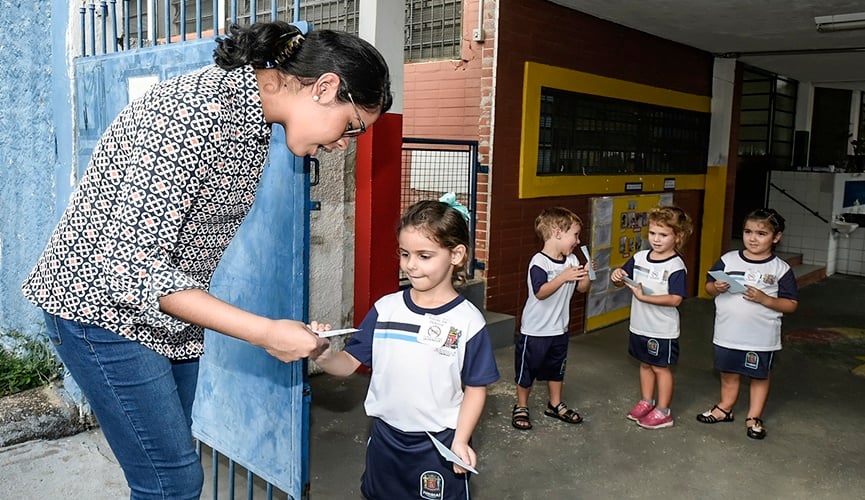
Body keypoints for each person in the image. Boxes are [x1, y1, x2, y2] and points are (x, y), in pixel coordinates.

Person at [21, 21, 392, 499]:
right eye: (352, 128)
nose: (345, 145)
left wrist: (282, 333)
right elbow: (134, 270)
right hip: (100, 312)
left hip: (163, 315)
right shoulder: (193, 112)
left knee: (172, 469)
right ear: (324, 88)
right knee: (170, 481)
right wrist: (264, 332)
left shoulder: (253, 122)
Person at [311, 194, 500, 500]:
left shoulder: (468, 321)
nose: (411, 266)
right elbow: (347, 364)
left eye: (424, 256)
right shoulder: (386, 309)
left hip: (438, 445)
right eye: (404, 254)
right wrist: (322, 353)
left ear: (456, 255)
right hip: (385, 439)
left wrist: (462, 440)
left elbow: (477, 387)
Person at [696, 208, 798, 440]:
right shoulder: (728, 259)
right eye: (748, 232)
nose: (753, 238)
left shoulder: (780, 269)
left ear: (776, 237)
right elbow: (708, 286)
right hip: (727, 333)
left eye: (761, 233)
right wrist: (716, 287)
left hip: (761, 337)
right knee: (728, 372)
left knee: (759, 375)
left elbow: (791, 304)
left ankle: (754, 416)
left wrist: (765, 299)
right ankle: (725, 408)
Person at [610, 206, 692, 430]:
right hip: (639, 325)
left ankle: (664, 411)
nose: (656, 239)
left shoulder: (675, 266)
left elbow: (676, 299)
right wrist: (617, 275)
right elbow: (622, 279)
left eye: (663, 235)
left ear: (678, 237)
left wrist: (646, 298)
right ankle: (647, 401)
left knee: (660, 368)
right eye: (653, 233)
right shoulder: (639, 258)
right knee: (645, 364)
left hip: (661, 329)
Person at [512, 207, 592, 431]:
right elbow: (540, 291)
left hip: (559, 329)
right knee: (527, 370)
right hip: (535, 330)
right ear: (557, 232)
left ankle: (555, 404)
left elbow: (582, 289)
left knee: (557, 368)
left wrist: (585, 275)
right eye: (574, 235)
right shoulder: (539, 262)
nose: (577, 241)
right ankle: (521, 405)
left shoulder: (572, 260)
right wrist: (563, 277)